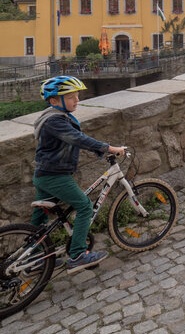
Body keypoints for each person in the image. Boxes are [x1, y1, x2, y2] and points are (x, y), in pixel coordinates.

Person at [31, 76, 126, 273]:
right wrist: (109, 148)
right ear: (54, 101)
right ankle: (77, 255)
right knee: (84, 206)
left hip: (45, 174)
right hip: (54, 176)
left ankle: (35, 258)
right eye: (71, 97)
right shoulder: (55, 121)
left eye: (77, 96)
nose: (77, 100)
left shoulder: (55, 117)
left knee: (40, 218)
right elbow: (78, 138)